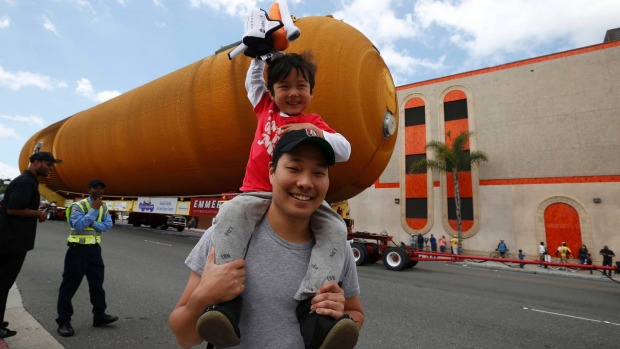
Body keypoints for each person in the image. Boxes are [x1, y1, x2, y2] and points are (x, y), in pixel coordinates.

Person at [195, 50, 353, 347]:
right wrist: (257, 57)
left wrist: (312, 130)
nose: (293, 93)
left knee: (336, 228)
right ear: (272, 91)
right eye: (284, 86)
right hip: (255, 191)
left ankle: (314, 310)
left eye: (301, 86)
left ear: (311, 91)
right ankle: (225, 305)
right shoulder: (264, 107)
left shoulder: (313, 121)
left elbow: (344, 149)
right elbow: (252, 83)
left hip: (297, 199)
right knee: (230, 214)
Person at [169, 130, 364, 349]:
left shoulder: (336, 248)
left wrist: (339, 316)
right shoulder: (223, 235)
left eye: (318, 173)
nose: (305, 182)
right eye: (293, 168)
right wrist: (203, 297)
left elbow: (355, 313)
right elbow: (184, 338)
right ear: (271, 172)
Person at [0, 152, 61, 339]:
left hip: (12, 241)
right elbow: (13, 208)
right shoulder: (26, 182)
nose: (51, 168)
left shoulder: (27, 181)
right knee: (3, 284)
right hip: (12, 243)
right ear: (35, 162)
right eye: (48, 164)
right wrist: (38, 214)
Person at [55, 179, 117, 337]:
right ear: (88, 189)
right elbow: (78, 225)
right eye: (95, 189)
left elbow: (108, 226)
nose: (98, 192)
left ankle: (100, 316)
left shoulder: (104, 206)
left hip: (95, 251)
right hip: (77, 251)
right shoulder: (79, 206)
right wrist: (93, 212)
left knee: (97, 285)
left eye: (101, 189)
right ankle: (63, 321)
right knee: (69, 287)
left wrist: (93, 222)